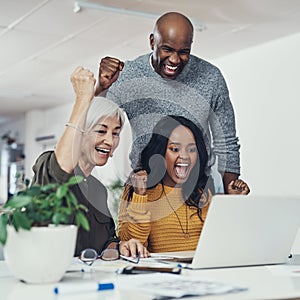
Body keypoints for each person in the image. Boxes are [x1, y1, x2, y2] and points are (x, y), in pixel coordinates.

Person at [95, 12, 243, 194]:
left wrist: (231, 191)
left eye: (183, 52)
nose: (174, 60)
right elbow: (94, 124)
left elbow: (226, 141)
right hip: (145, 187)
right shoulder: (129, 75)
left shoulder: (211, 77)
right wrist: (101, 87)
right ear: (152, 42)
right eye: (167, 49)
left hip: (199, 188)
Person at [31, 66, 149, 258]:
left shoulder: (98, 190)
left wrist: (120, 246)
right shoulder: (49, 164)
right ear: (82, 132)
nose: (110, 141)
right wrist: (83, 99)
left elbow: (106, 242)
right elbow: (61, 171)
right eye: (101, 131)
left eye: (116, 133)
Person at [118, 115, 250, 253]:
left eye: (191, 150)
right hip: (161, 273)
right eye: (175, 149)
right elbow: (133, 248)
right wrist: (140, 196)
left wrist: (235, 202)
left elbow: (224, 242)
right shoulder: (138, 190)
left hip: (200, 271)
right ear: (160, 152)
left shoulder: (203, 191)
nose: (185, 156)